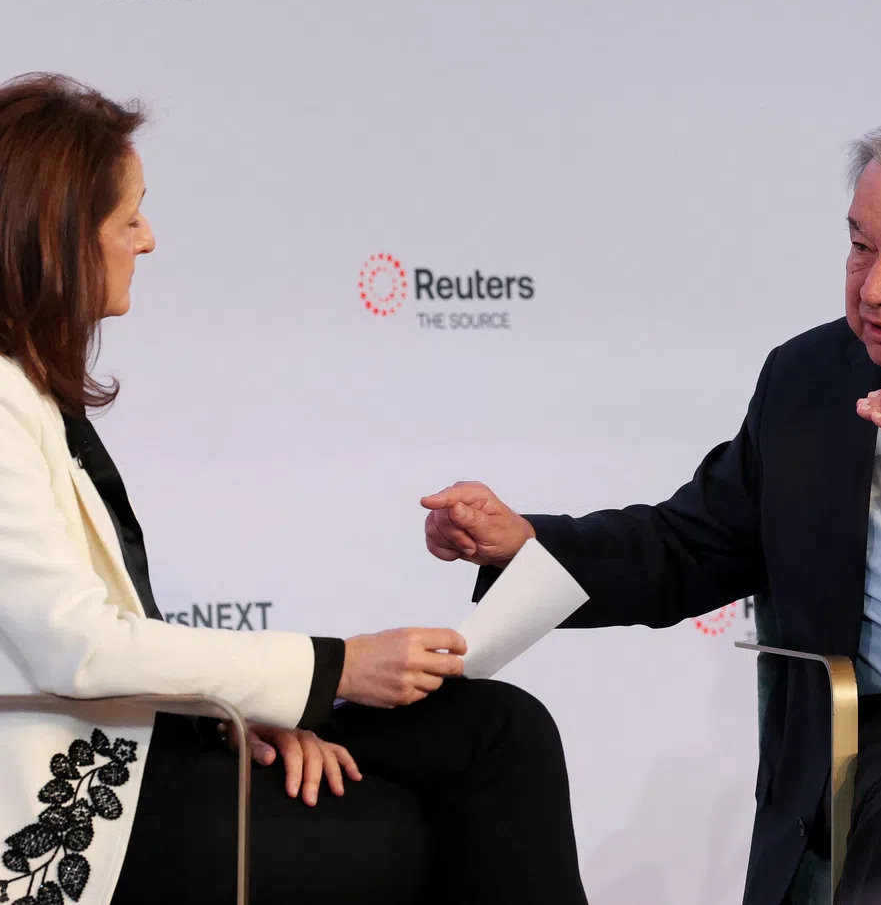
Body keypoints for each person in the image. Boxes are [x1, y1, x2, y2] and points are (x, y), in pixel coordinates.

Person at [422, 98, 881, 904]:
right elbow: (690, 545)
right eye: (860, 247)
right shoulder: (812, 379)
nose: (873, 288)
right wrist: (523, 545)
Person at [0, 74, 588, 905]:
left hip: (155, 736)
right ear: (53, 239)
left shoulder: (31, 389)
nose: (150, 240)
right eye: (129, 218)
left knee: (502, 732)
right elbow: (79, 649)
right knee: (398, 832)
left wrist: (251, 711)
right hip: (93, 795)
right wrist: (335, 668)